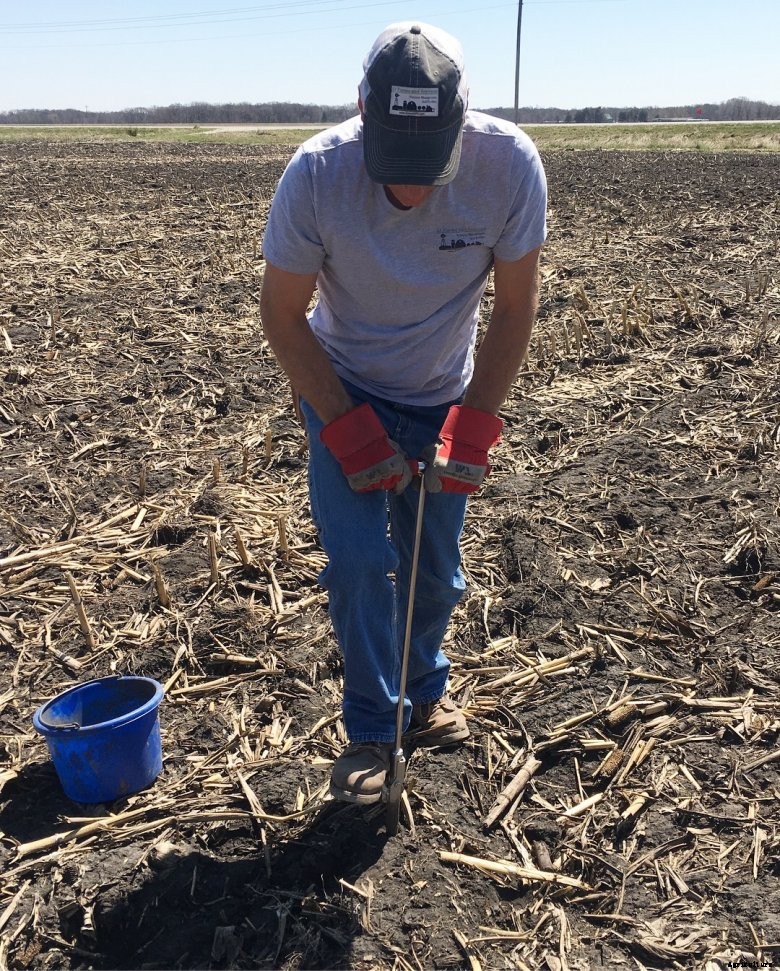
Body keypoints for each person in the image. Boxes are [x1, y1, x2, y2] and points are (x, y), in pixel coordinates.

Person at [260, 21, 547, 805]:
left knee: (435, 570)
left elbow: (516, 310)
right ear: (362, 110)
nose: (414, 191)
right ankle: (368, 726)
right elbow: (283, 315)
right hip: (342, 384)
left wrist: (476, 424)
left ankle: (423, 693)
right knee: (360, 563)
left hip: (442, 390)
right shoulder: (317, 174)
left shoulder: (510, 167)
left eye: (431, 166)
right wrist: (348, 427)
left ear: (463, 121)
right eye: (396, 166)